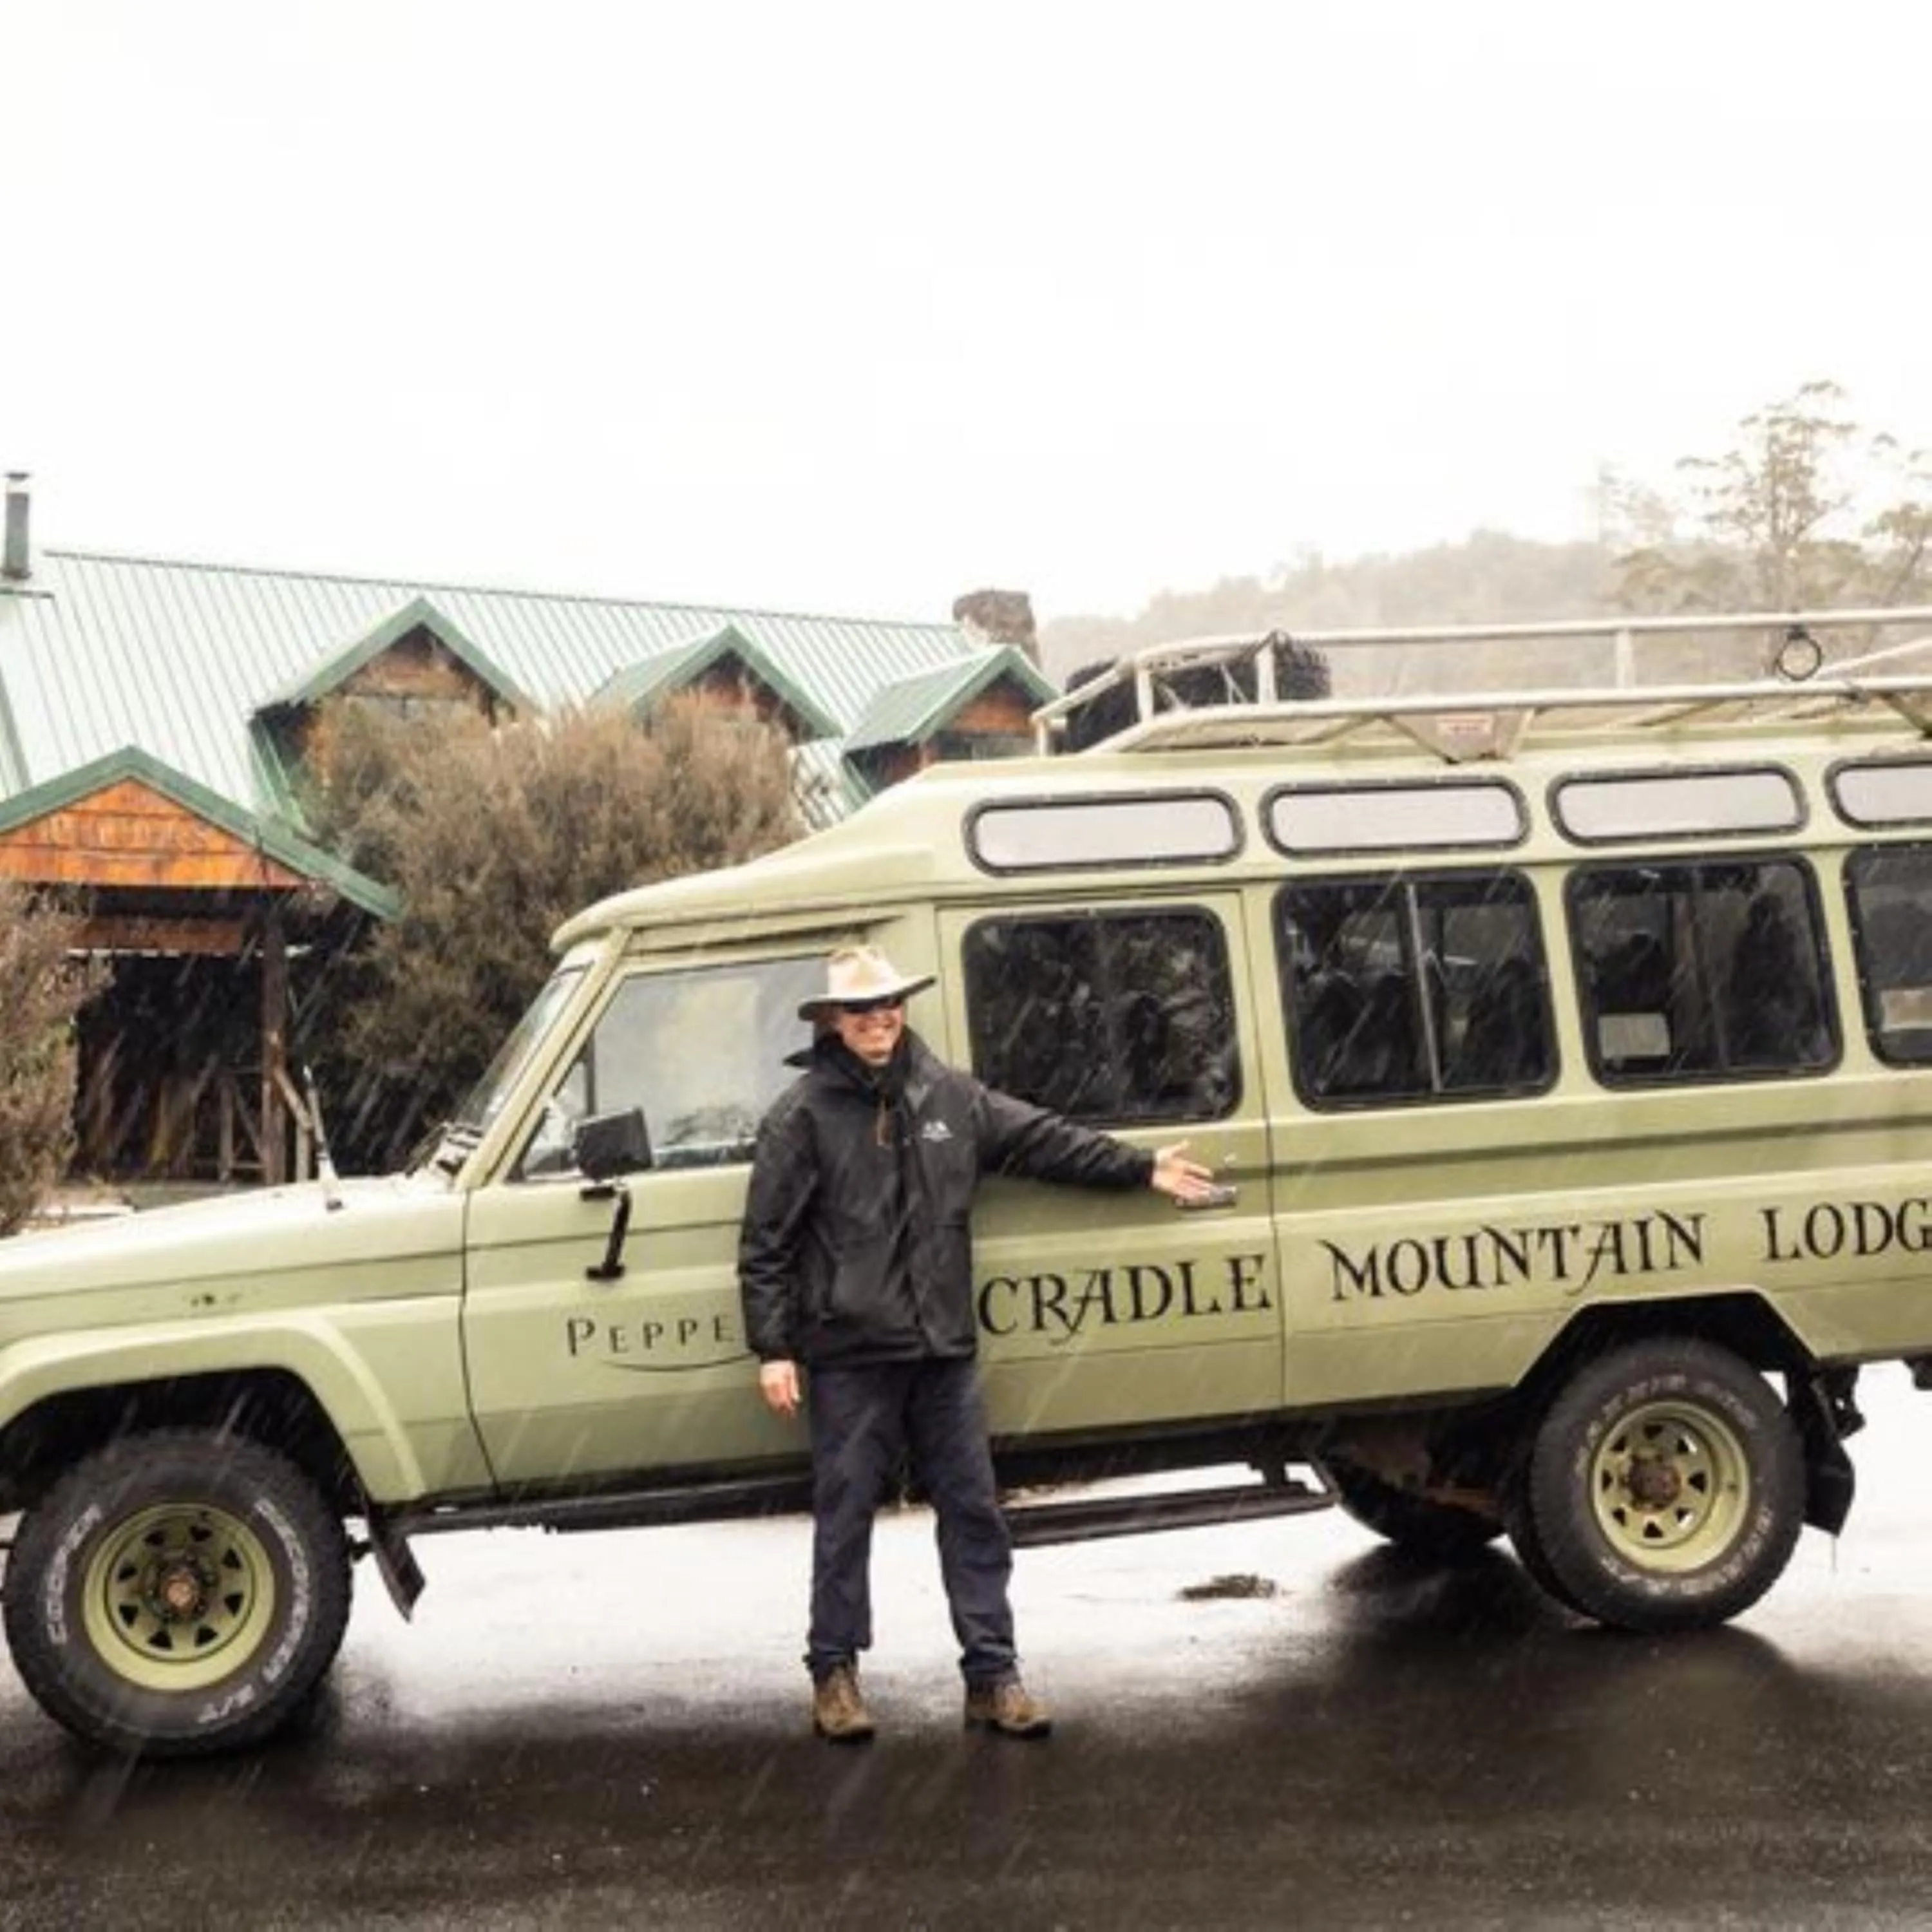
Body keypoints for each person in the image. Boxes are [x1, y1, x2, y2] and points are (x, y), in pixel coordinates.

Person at [738, 943, 1219, 1744]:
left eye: (889, 1004)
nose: (879, 1019)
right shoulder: (801, 1118)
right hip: (851, 1356)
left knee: (973, 1512)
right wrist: (774, 1349)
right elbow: (766, 1245)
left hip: (942, 1353)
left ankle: (993, 1677)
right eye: (862, 1010)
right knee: (845, 1516)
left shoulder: (949, 1097)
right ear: (833, 1022)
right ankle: (835, 1675)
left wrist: (1139, 1170)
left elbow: (1045, 1142)